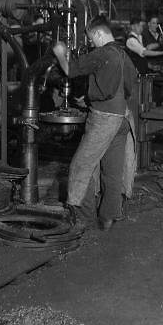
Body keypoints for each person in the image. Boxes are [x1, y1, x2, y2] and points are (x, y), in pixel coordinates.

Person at [53, 16, 136, 231]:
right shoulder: (123, 54)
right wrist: (92, 97)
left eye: (91, 39)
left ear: (99, 34)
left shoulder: (102, 53)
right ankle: (108, 218)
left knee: (81, 166)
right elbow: (126, 87)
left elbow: (71, 70)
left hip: (104, 120)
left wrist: (60, 52)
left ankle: (83, 218)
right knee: (112, 171)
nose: (91, 44)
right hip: (123, 118)